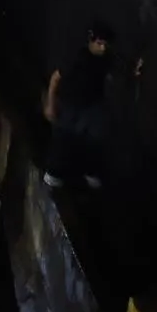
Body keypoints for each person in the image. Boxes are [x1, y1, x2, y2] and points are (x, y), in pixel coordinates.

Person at [44, 20, 114, 188]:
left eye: (105, 45)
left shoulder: (106, 59)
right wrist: (50, 104)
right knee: (64, 140)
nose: (103, 48)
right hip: (71, 105)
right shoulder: (77, 58)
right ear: (91, 41)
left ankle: (88, 171)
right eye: (99, 44)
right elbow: (55, 78)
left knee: (92, 141)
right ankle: (53, 175)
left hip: (91, 107)